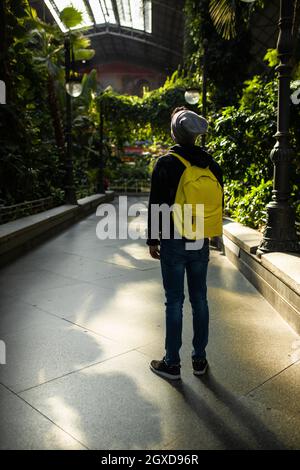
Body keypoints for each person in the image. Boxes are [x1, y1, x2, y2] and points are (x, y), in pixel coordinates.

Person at [147, 107, 223, 380]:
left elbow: (156, 204)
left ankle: (172, 364)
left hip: (173, 238)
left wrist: (153, 239)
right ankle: (199, 360)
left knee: (174, 301)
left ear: (175, 133)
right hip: (199, 237)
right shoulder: (210, 164)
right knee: (200, 298)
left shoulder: (166, 163)